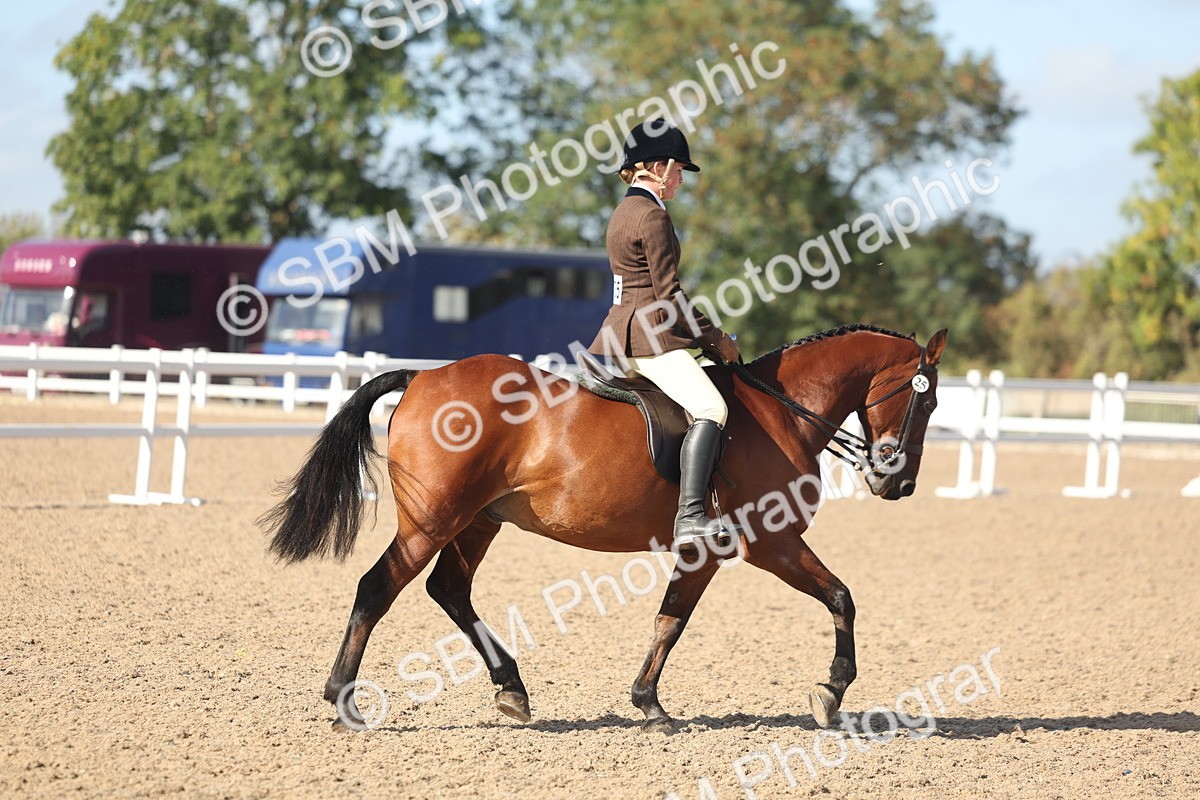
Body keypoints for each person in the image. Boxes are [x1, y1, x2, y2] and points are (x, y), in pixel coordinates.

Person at [588, 119, 741, 556]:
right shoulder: (652, 215)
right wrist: (716, 339)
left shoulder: (622, 212)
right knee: (712, 406)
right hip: (648, 339)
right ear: (656, 166)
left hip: (619, 334)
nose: (679, 180)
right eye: (677, 171)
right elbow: (670, 295)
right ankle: (691, 517)